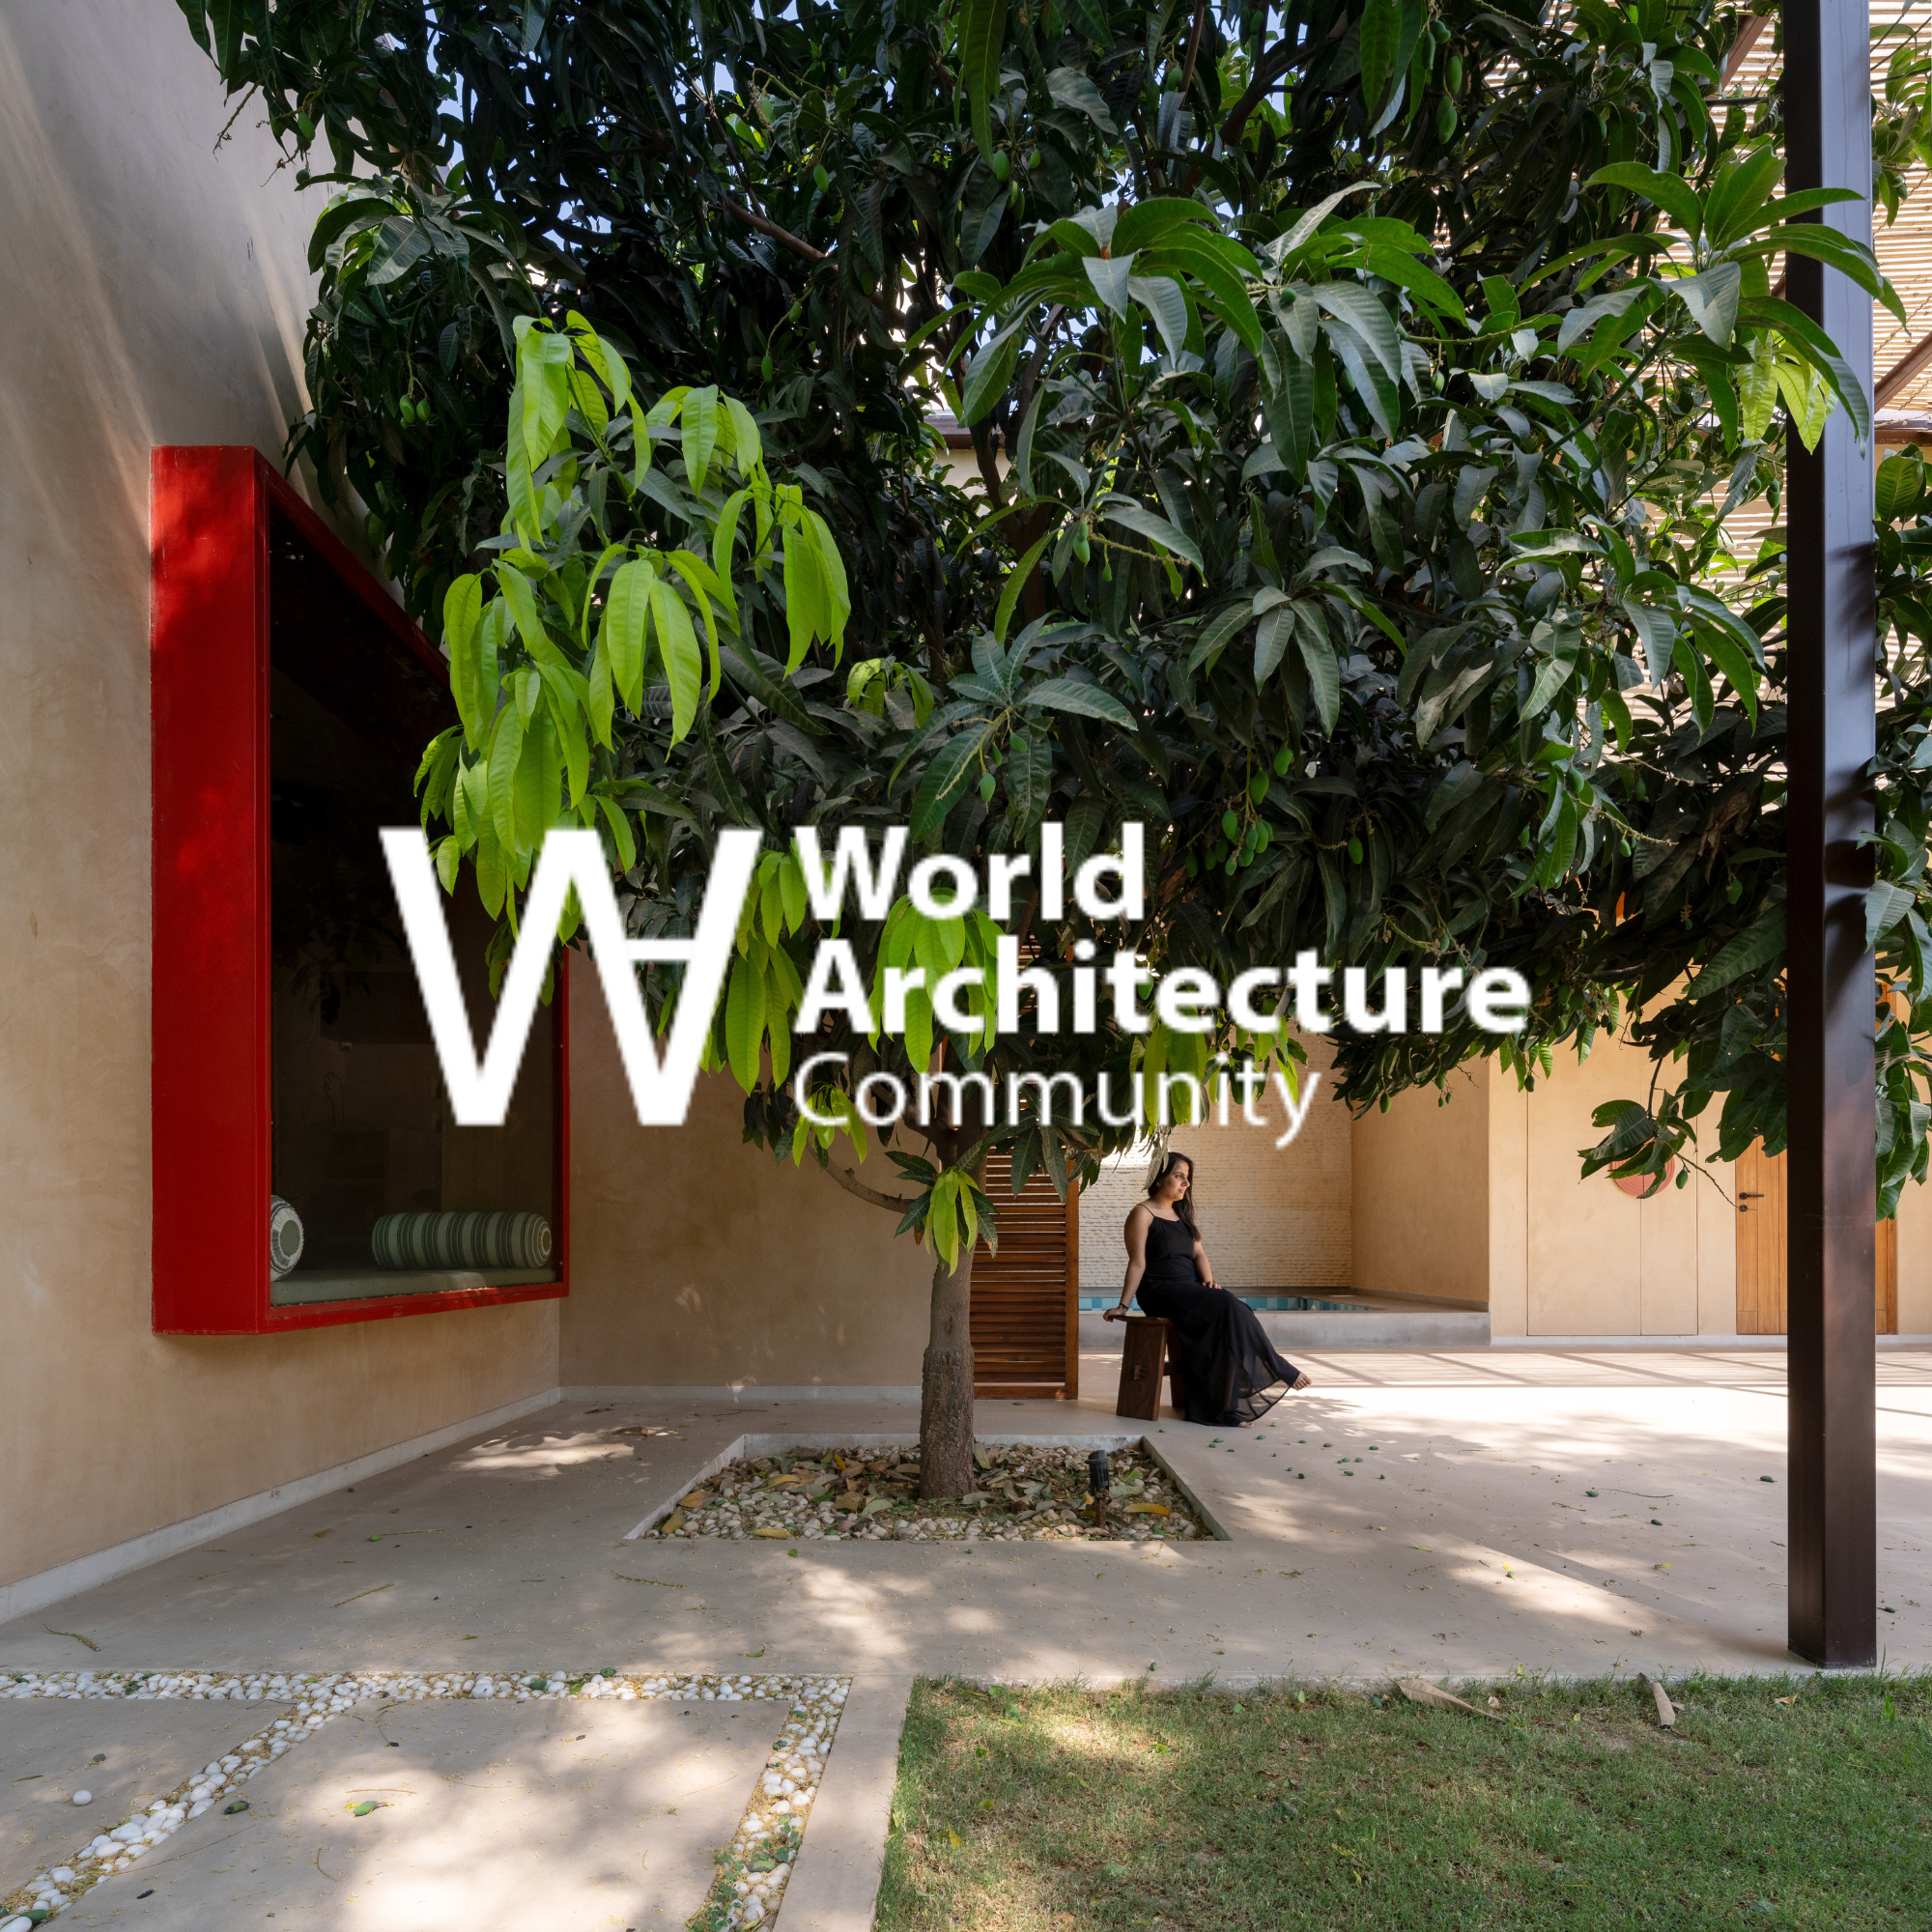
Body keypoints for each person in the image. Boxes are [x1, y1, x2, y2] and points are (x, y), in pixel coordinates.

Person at [1103, 1150, 1311, 1426]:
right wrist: (1123, 1305)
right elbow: (1137, 1263)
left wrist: (1208, 1281)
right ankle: (1277, 1365)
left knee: (1235, 1310)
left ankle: (1221, 1409)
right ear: (1158, 1178)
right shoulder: (1142, 1213)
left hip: (1189, 1289)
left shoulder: (1182, 1215)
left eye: (1187, 1178)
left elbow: (1199, 1254)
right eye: (1179, 1176)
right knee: (1227, 1303)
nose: (1185, 1184)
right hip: (1160, 1290)